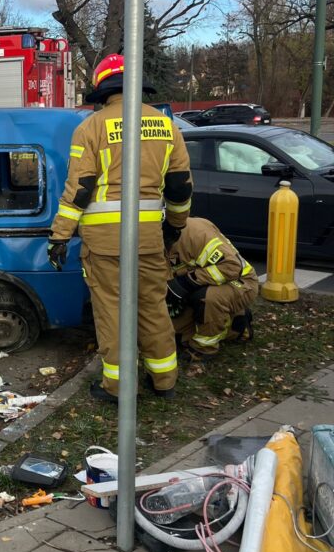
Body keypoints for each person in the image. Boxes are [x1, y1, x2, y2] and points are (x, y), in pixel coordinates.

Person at [47, 53, 193, 402]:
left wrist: (60, 236)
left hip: (105, 243)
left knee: (111, 313)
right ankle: (164, 382)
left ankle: (117, 387)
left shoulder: (92, 127)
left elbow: (78, 189)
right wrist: (175, 226)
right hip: (148, 238)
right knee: (152, 307)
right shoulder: (166, 125)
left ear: (102, 87)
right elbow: (180, 186)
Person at [166, 216, 259, 357]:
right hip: (200, 284)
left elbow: (232, 267)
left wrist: (186, 283)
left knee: (207, 299)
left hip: (239, 282)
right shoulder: (153, 237)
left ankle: (203, 349)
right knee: (173, 333)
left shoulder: (197, 234)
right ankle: (235, 324)